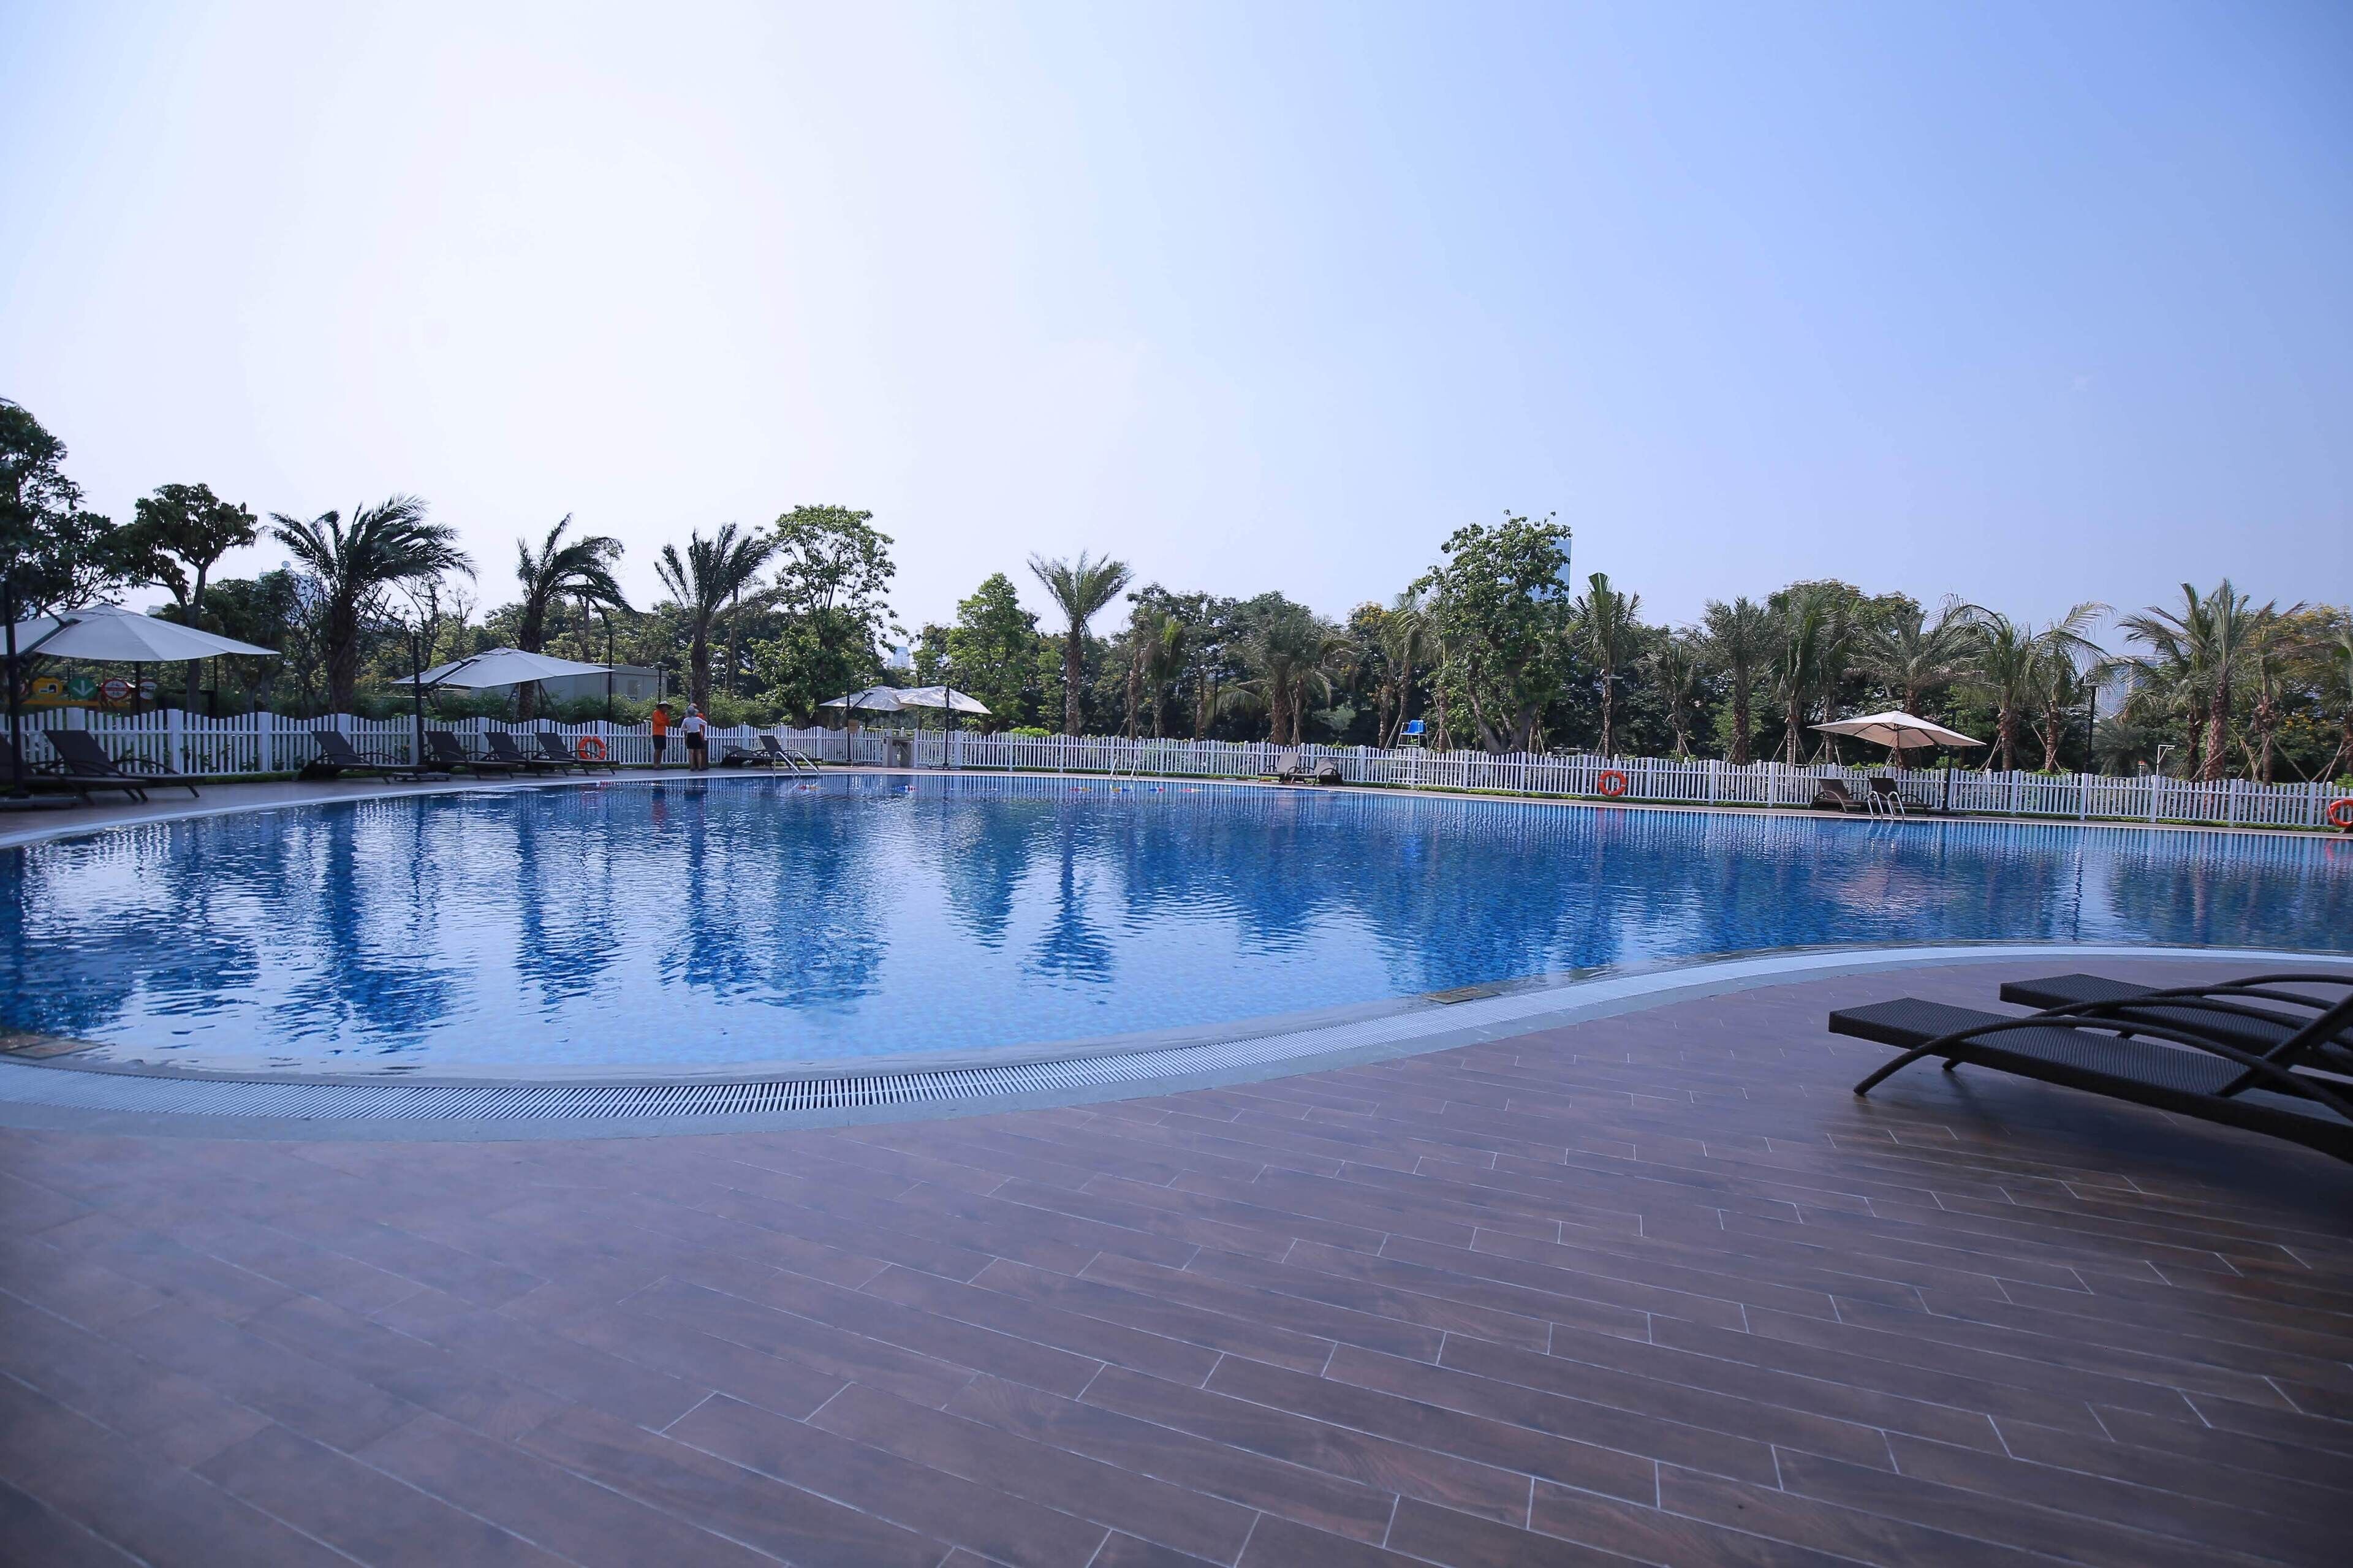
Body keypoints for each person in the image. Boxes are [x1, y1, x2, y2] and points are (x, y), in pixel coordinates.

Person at [682, 703, 708, 771]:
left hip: (690, 735)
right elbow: (705, 723)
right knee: (698, 752)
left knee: (691, 752)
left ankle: (692, 766)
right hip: (697, 734)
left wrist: (687, 729)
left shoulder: (686, 720)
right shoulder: (698, 719)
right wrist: (698, 725)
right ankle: (699, 767)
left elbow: (682, 729)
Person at [648, 702, 670, 767]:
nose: (666, 709)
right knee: (657, 749)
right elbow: (658, 722)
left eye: (667, 707)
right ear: (661, 707)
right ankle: (655, 764)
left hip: (663, 734)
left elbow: (668, 724)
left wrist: (667, 719)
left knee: (661, 750)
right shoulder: (656, 713)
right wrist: (665, 721)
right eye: (665, 707)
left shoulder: (665, 715)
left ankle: (659, 764)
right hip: (657, 733)